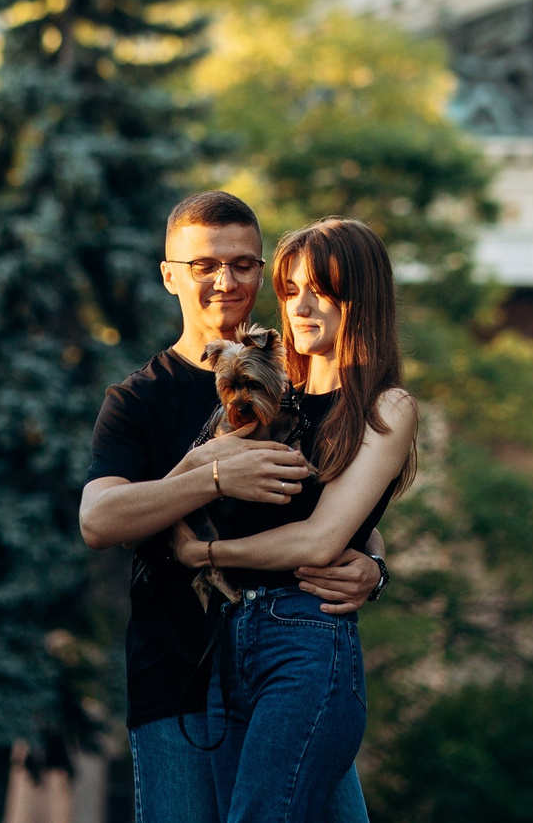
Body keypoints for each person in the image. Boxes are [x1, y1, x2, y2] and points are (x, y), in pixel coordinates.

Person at [80, 192, 386, 823]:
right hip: (180, 682)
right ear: (170, 275)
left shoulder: (299, 377)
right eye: (204, 265)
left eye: (245, 264)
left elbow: (342, 513)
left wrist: (376, 569)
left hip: (287, 679)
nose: (226, 280)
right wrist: (213, 476)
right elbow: (100, 519)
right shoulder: (138, 399)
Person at [167, 218, 417, 823]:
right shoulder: (270, 394)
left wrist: (199, 553)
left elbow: (323, 536)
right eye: (289, 288)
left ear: (362, 298)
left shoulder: (386, 407)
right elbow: (187, 485)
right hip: (229, 641)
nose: (299, 306)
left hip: (304, 642)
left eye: (321, 290)